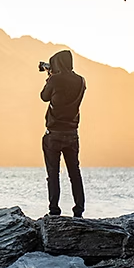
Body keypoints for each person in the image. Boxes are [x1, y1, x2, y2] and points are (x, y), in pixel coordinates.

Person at [40, 49, 86, 217]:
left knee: (53, 174)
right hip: (72, 134)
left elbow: (44, 96)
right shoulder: (81, 81)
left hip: (53, 134)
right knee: (75, 173)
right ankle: (79, 211)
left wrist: (50, 77)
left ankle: (54, 211)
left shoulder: (55, 80)